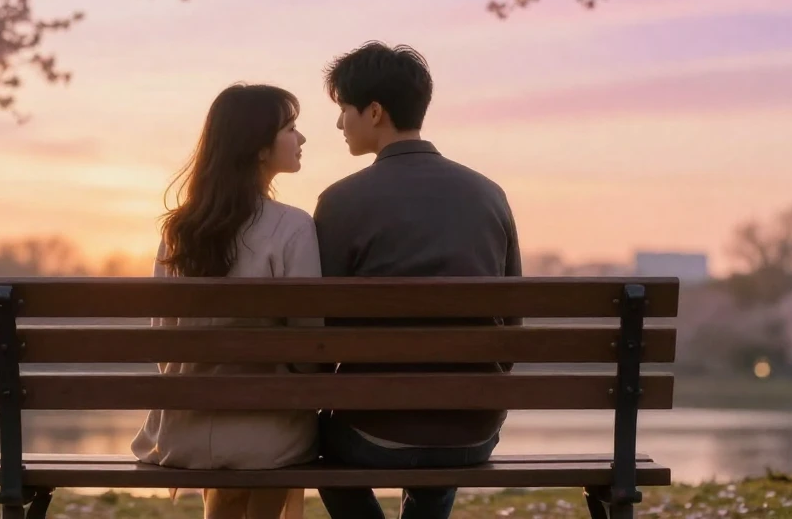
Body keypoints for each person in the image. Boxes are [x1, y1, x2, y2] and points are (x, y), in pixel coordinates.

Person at [312, 42, 524, 519]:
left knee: (314, 441)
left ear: (374, 111)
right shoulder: (489, 194)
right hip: (473, 431)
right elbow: (512, 326)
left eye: (343, 109)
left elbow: (317, 334)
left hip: (373, 431)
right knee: (441, 429)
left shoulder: (341, 201)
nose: (339, 123)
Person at [131, 83, 319, 519]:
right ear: (257, 148)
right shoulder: (293, 227)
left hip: (181, 436)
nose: (302, 139)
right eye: (291, 128)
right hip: (268, 436)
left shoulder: (180, 230)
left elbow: (164, 343)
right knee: (273, 438)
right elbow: (311, 352)